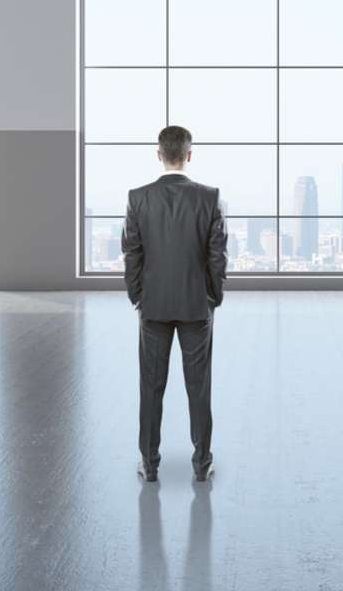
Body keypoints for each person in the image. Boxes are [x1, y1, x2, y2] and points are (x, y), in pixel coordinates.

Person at [122, 125, 228, 482]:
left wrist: (138, 294)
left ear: (158, 154)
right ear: (189, 154)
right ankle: (202, 465)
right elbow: (217, 256)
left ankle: (149, 464)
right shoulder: (210, 197)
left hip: (153, 305)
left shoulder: (138, 197)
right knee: (198, 387)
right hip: (197, 305)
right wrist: (213, 296)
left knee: (151, 387)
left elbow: (132, 253)